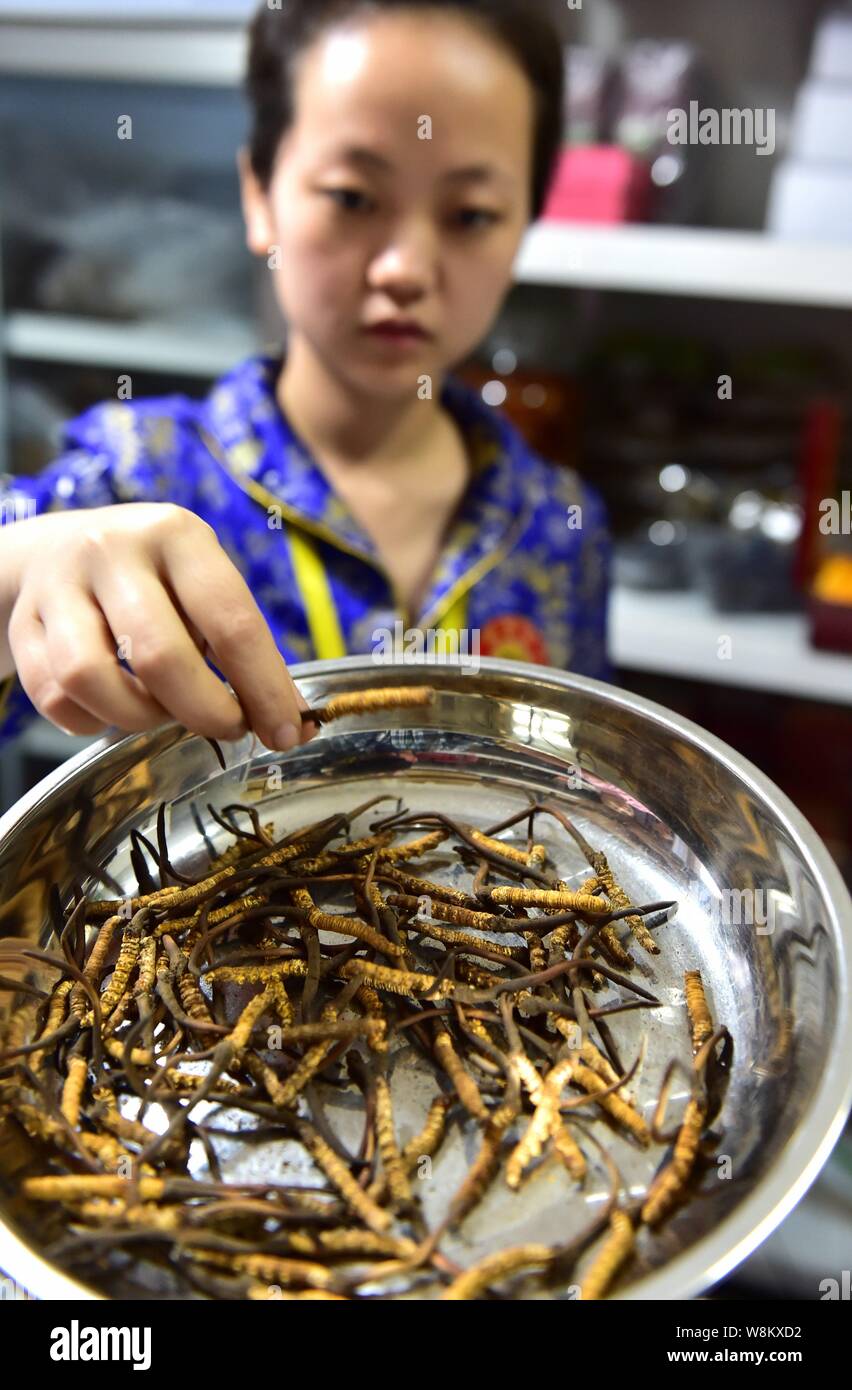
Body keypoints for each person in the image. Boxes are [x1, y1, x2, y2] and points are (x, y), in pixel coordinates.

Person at [0, 0, 610, 759]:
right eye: (354, 198)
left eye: (472, 213)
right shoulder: (137, 477)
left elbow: (575, 790)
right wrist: (20, 571)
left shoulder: (561, 527)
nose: (404, 270)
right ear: (260, 195)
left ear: (526, 228)